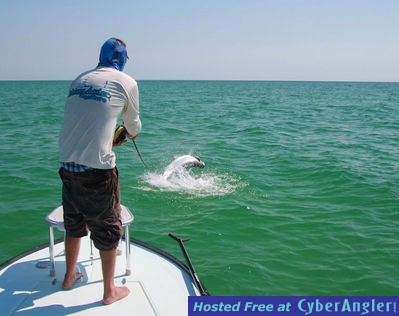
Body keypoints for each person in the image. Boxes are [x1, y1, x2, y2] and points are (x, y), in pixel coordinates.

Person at [58, 38, 141, 305]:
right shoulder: (126, 82)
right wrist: (124, 135)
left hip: (68, 166)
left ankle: (69, 277)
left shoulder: (79, 79)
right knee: (107, 229)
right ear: (123, 59)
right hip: (98, 171)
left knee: (74, 222)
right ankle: (109, 291)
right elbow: (134, 127)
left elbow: (86, 120)